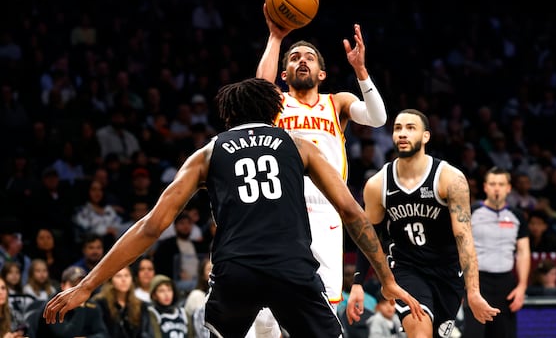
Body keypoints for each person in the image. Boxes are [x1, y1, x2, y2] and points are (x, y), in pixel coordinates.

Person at [42, 78, 425, 337]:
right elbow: (353, 214)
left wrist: (87, 284)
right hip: (292, 269)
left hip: (235, 272)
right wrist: (386, 278)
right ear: (276, 108)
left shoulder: (208, 153)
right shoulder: (298, 145)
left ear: (228, 114)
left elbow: (151, 226)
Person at [256, 5, 387, 307]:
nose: (302, 61)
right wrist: (276, 38)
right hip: (281, 205)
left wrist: (361, 71)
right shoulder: (276, 101)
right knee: (269, 305)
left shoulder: (337, 102)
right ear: (283, 72)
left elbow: (377, 118)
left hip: (327, 206)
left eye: (309, 58)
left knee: (323, 304)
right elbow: (259, 88)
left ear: (322, 73)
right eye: (294, 58)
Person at [346, 109, 500, 338]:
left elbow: (464, 238)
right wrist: (358, 283)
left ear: (426, 136)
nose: (402, 134)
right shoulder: (378, 184)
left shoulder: (450, 178)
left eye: (410, 128)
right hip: (406, 268)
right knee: (420, 334)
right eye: (398, 128)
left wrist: (474, 292)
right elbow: (369, 237)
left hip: (447, 271)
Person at [462, 166, 530, 338]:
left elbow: (523, 252)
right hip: (477, 282)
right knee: (473, 334)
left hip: (506, 284)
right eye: (492, 184)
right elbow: (460, 249)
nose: (496, 188)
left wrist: (521, 287)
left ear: (508, 187)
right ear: (485, 187)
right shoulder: (472, 212)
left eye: (501, 184)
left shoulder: (517, 215)